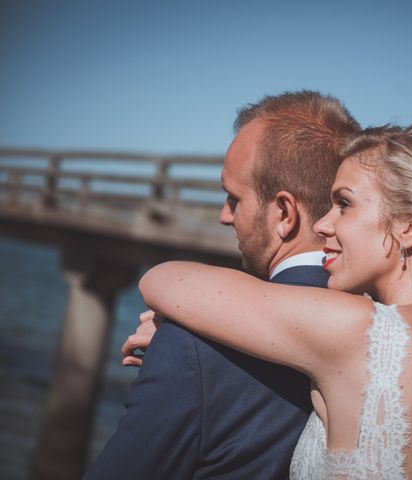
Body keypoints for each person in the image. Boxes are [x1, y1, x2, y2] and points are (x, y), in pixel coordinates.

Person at [137, 122, 412, 479]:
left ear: (411, 226)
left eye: (344, 204)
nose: (322, 224)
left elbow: (163, 279)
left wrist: (176, 321)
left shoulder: (361, 332)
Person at [83, 91, 360, 479]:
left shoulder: (196, 344)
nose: (224, 215)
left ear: (284, 213)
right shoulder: (388, 322)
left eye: (234, 198)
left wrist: (179, 339)